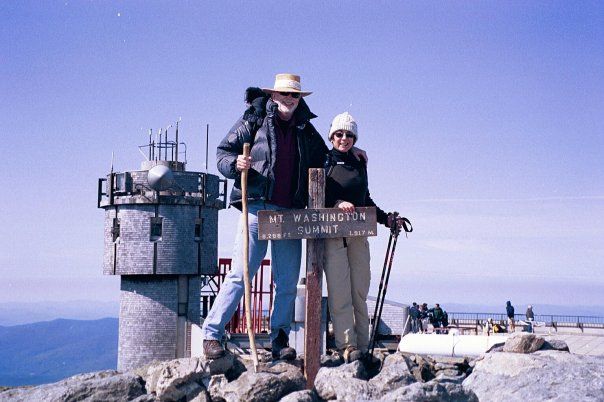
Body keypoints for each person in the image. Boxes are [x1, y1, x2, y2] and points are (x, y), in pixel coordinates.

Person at [202, 74, 367, 360]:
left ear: (299, 99)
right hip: (257, 207)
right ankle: (212, 334)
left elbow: (327, 158)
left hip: (291, 212)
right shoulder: (252, 120)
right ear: (273, 95)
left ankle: (279, 337)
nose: (289, 100)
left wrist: (352, 152)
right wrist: (235, 163)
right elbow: (222, 153)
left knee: (287, 280)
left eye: (294, 96)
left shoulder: (305, 128)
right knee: (242, 274)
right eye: (284, 94)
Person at [322, 112, 405, 363]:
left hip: (358, 234)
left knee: (359, 290)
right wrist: (336, 203)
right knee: (339, 292)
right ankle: (347, 346)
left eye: (349, 134)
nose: (343, 138)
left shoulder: (359, 164)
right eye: (339, 134)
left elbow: (364, 199)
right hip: (333, 235)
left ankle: (363, 344)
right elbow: (315, 194)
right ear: (331, 136)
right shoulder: (323, 160)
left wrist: (385, 218)